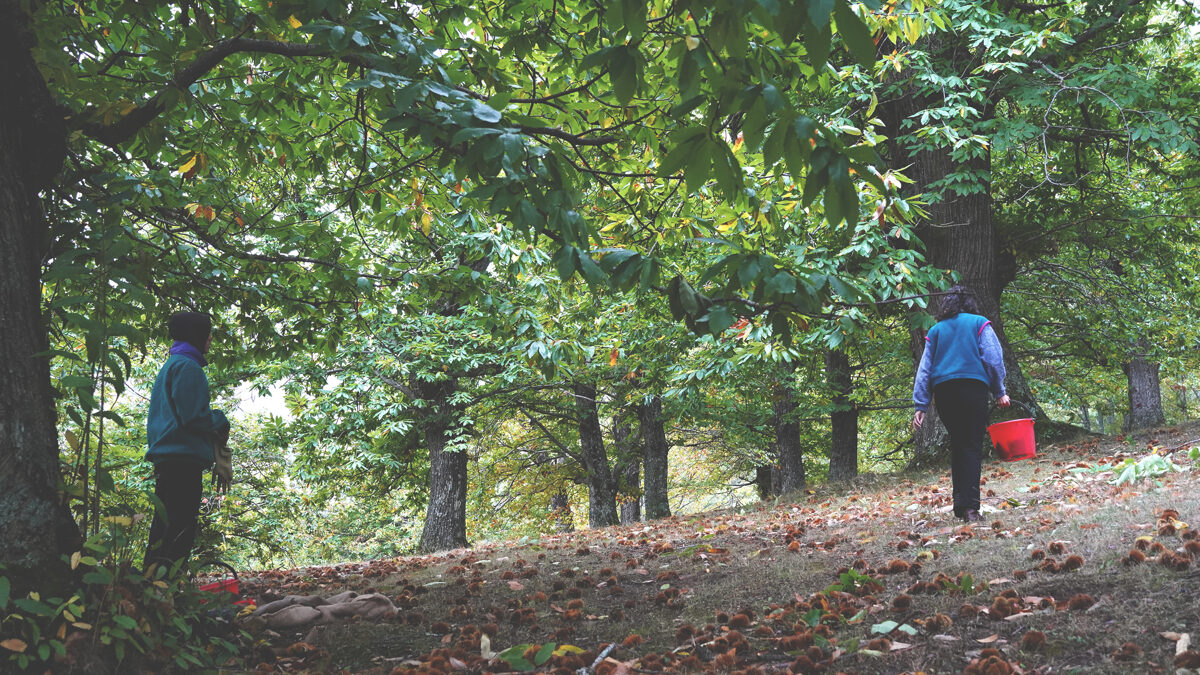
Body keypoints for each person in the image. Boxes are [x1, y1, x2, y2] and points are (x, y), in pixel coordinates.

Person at [912, 285, 1010, 522]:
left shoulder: (936, 331)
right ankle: (970, 509)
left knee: (959, 445)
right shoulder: (979, 323)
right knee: (971, 446)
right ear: (970, 303)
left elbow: (925, 370)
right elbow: (993, 358)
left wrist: (921, 404)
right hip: (973, 389)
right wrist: (999, 390)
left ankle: (961, 506)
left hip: (945, 393)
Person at [143, 311, 230, 575]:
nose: (210, 339)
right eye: (207, 333)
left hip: (169, 459)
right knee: (179, 530)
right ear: (197, 335)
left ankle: (152, 588)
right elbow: (194, 417)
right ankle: (166, 591)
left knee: (164, 527)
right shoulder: (187, 367)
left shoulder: (173, 364)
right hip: (182, 460)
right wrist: (220, 420)